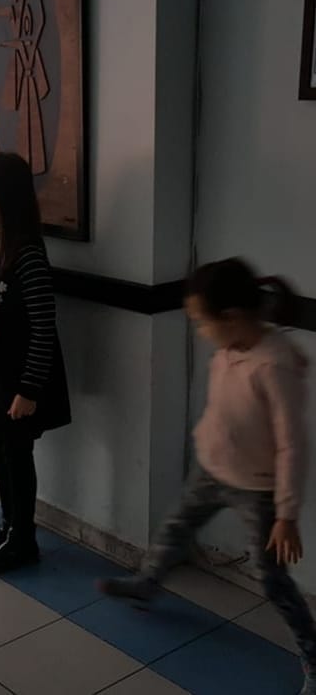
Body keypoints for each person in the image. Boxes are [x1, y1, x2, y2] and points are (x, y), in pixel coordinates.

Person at [97, 258, 316, 695]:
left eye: (201, 322)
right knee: (175, 528)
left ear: (231, 317)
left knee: (271, 578)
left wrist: (286, 515)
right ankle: (146, 585)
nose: (199, 331)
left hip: (257, 487)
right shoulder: (230, 347)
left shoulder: (273, 365)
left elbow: (293, 444)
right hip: (212, 470)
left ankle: (312, 653)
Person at [0, 152, 71, 574]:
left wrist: (29, 389)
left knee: (17, 456)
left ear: (12, 201)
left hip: (19, 379)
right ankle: (8, 526)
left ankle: (24, 538)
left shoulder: (27, 255)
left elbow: (44, 327)